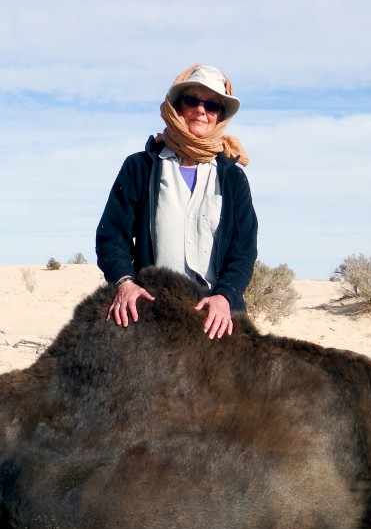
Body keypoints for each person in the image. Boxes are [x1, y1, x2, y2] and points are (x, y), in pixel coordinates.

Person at [95, 64, 257, 339]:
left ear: (220, 116)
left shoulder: (232, 178)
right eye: (191, 100)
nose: (201, 110)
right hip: (153, 310)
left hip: (215, 312)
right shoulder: (140, 167)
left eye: (212, 105)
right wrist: (125, 282)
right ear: (177, 107)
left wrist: (225, 296)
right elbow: (112, 236)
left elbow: (243, 252)